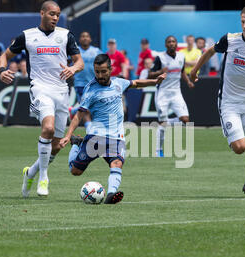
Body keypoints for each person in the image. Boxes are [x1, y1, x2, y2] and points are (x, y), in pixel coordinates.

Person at [0, 0, 84, 198]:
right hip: (40, 89)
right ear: (42, 13)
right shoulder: (27, 36)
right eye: (52, 14)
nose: (55, 17)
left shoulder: (65, 35)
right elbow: (5, 56)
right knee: (48, 128)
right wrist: (1, 70)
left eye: (58, 14)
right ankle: (44, 177)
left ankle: (30, 172)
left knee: (55, 146)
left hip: (62, 92)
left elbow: (79, 61)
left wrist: (73, 67)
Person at [190, 5, 245, 198]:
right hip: (228, 101)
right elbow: (210, 52)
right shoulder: (230, 39)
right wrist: (195, 70)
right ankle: (231, 133)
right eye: (243, 22)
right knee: (240, 148)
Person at [61, 54, 166, 204]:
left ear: (111, 69)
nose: (100, 75)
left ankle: (111, 194)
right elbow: (79, 115)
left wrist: (155, 81)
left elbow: (136, 83)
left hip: (116, 137)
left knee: (116, 163)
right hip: (95, 138)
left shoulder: (118, 82)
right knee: (75, 171)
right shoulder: (90, 90)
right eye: (97, 72)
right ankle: (76, 144)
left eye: (103, 71)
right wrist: (68, 135)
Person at [148, 35, 195, 157]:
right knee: (163, 126)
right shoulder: (160, 58)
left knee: (185, 121)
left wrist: (188, 81)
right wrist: (160, 72)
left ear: (176, 44)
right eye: (169, 42)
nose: (171, 43)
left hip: (176, 93)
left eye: (173, 41)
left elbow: (182, 71)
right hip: (163, 93)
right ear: (165, 45)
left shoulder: (181, 56)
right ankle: (158, 151)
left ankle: (163, 122)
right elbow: (150, 74)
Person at [69, 31, 102, 124]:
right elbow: (67, 62)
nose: (85, 38)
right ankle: (91, 130)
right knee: (86, 109)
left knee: (91, 107)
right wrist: (71, 73)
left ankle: (73, 110)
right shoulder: (75, 51)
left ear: (90, 39)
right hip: (80, 84)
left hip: (94, 84)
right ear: (79, 39)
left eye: (87, 36)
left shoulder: (96, 51)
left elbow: (103, 63)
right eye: (83, 36)